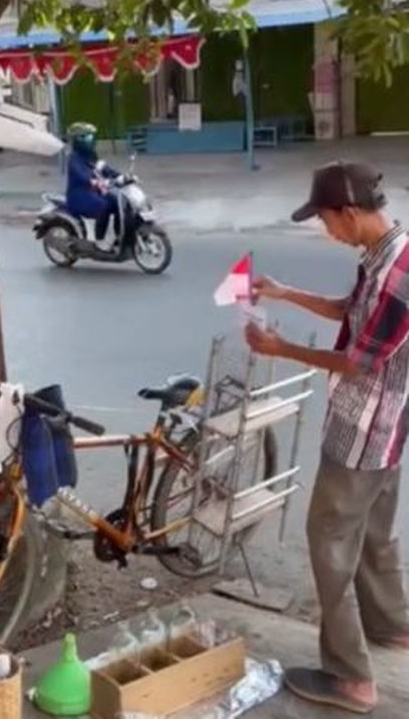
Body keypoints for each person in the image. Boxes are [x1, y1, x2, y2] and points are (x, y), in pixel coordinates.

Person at [245, 160, 409, 715]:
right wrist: (284, 292)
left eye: (326, 220)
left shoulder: (399, 271)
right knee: (374, 533)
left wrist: (281, 350)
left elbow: (359, 362)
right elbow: (350, 312)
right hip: (387, 432)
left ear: (350, 212)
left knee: (329, 540)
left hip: (364, 431)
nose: (325, 230)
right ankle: (393, 626)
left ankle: (350, 678)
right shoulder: (384, 255)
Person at [65, 123, 121, 250]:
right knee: (104, 206)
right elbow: (81, 176)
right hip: (80, 197)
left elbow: (104, 169)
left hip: (93, 193)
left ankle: (119, 236)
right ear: (79, 140)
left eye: (92, 137)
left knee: (118, 202)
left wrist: (121, 176)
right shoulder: (73, 159)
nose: (92, 140)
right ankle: (99, 240)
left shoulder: (91, 156)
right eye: (88, 137)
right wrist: (95, 182)